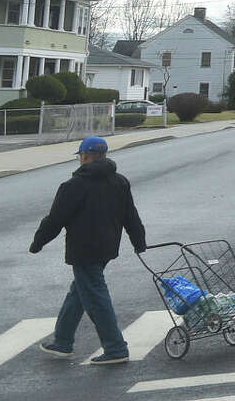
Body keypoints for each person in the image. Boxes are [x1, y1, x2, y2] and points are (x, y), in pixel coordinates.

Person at [30, 135, 147, 364]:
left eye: (80, 156)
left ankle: (115, 348)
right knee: (80, 291)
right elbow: (130, 215)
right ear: (103, 155)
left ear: (84, 156)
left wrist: (38, 243)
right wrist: (138, 241)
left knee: (94, 295)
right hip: (107, 247)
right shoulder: (119, 181)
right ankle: (62, 341)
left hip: (84, 250)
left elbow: (55, 219)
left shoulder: (74, 185)